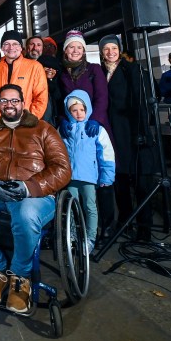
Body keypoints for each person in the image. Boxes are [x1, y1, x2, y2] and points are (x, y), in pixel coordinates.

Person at [0, 84, 71, 313]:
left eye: (14, 100)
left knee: (26, 212)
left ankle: (20, 276)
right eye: (4, 101)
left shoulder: (44, 129)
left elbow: (62, 169)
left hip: (34, 195)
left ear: (23, 103)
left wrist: (29, 187)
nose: (9, 105)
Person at [58, 30, 114, 245]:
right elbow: (62, 99)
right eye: (71, 47)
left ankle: (103, 229)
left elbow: (102, 97)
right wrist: (63, 118)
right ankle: (74, 232)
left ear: (83, 51)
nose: (75, 51)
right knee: (74, 194)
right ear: (66, 50)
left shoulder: (94, 70)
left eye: (79, 47)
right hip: (72, 126)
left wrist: (96, 119)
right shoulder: (62, 72)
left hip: (93, 126)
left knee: (99, 185)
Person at [99, 35, 156, 241]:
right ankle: (125, 222)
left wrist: (142, 132)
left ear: (119, 49)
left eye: (114, 48)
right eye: (106, 49)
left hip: (133, 132)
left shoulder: (132, 69)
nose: (110, 52)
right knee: (120, 180)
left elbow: (141, 103)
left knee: (141, 182)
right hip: (113, 134)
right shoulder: (100, 71)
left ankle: (144, 227)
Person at [60, 91, 116, 254]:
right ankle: (72, 237)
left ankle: (90, 239)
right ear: (68, 112)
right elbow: (57, 153)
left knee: (90, 207)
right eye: (74, 110)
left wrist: (106, 176)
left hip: (89, 177)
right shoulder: (64, 129)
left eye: (81, 110)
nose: (78, 114)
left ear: (88, 109)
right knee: (71, 207)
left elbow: (106, 154)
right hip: (70, 178)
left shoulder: (96, 129)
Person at [0, 30, 48, 126]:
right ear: (2, 47)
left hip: (24, 125)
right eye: (6, 44)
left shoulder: (34, 67)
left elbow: (41, 98)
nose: (11, 47)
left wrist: (30, 119)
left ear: (21, 47)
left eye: (15, 44)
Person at [38, 54, 62, 127]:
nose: (50, 69)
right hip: (40, 125)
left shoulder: (59, 85)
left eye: (54, 68)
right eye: (47, 66)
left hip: (55, 125)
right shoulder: (35, 85)